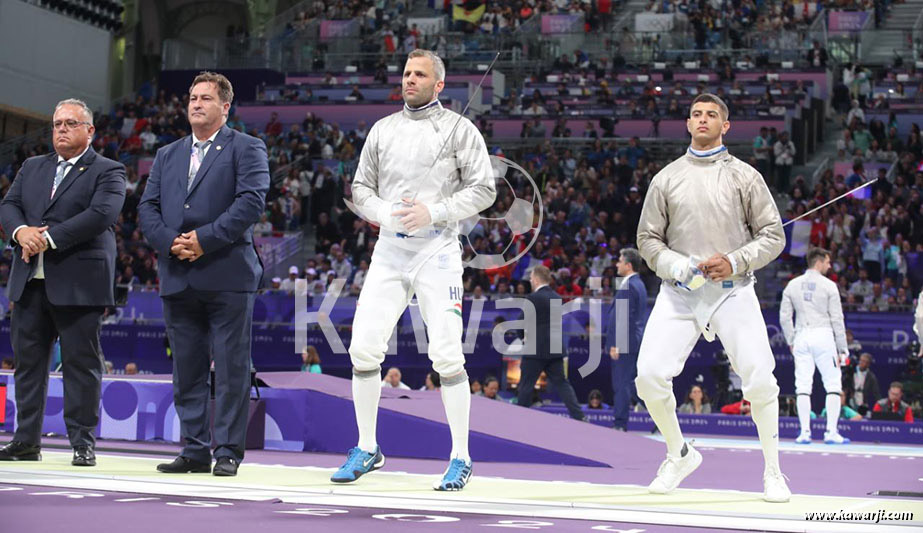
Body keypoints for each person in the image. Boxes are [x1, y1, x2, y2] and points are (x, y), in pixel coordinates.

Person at [331, 49, 495, 492]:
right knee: (363, 349)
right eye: (406, 73)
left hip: (437, 250)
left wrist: (435, 211)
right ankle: (367, 447)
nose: (410, 80)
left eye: (420, 74)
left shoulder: (460, 130)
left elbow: (485, 189)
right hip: (389, 250)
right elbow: (361, 187)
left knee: (446, 354)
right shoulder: (383, 130)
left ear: (439, 84)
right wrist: (384, 212)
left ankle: (460, 456)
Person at [635, 94, 790, 502]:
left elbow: (774, 236)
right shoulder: (666, 178)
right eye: (697, 114)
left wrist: (736, 261)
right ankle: (679, 454)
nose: (703, 120)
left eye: (712, 115)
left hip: (733, 292)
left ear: (726, 126)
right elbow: (647, 239)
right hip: (679, 293)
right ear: (688, 124)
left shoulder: (745, 176)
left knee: (759, 377)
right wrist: (674, 265)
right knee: (648, 377)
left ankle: (773, 471)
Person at [139, 72, 269, 477]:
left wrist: (204, 240)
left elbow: (251, 202)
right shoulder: (167, 154)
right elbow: (147, 207)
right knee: (187, 370)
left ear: (225, 107)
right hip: (177, 273)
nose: (196, 104)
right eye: (192, 97)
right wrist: (169, 242)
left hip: (227, 273)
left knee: (231, 368)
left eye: (206, 98)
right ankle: (194, 449)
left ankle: (227, 450)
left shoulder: (247, 148)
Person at [0, 98, 126, 467]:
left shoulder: (109, 170)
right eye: (57, 124)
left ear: (90, 130)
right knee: (28, 367)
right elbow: (9, 205)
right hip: (30, 281)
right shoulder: (32, 166)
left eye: (71, 123)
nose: (61, 130)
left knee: (81, 366)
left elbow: (102, 215)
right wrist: (22, 232)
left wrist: (47, 238)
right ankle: (25, 442)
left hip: (79, 283)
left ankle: (82, 443)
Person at [779, 248, 851, 445]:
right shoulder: (829, 285)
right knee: (833, 384)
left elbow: (785, 317)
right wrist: (843, 348)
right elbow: (837, 318)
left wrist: (791, 340)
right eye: (828, 262)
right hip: (824, 336)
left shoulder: (792, 285)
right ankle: (831, 432)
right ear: (818, 262)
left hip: (802, 335)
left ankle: (804, 432)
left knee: (802, 386)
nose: (829, 266)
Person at [516, 265, 586, 421]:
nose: (530, 280)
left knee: (526, 386)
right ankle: (579, 416)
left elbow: (520, 322)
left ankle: (519, 419)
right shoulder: (556, 297)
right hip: (554, 348)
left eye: (531, 277)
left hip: (534, 349)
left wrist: (522, 338)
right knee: (562, 384)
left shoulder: (533, 298)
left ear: (536, 278)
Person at [605, 247, 648, 431]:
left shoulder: (629, 285)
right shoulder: (639, 284)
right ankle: (660, 415)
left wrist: (616, 344)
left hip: (626, 343)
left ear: (628, 265)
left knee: (622, 384)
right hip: (633, 341)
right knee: (631, 383)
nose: (617, 264)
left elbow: (623, 318)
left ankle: (620, 424)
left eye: (620, 261)